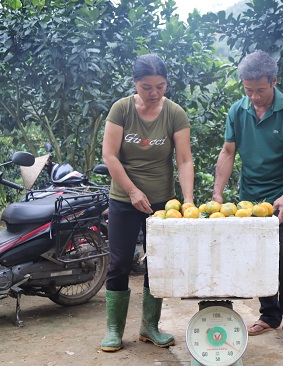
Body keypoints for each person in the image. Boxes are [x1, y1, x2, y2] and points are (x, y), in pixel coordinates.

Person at [212, 50, 283, 354]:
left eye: (261, 90)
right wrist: (218, 192)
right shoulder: (237, 111)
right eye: (248, 90)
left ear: (274, 81)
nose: (254, 96)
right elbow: (228, 152)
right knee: (255, 261)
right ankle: (270, 315)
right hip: (247, 201)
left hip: (281, 200)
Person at [100, 54, 194, 352]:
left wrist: (188, 200)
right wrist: (132, 191)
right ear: (135, 84)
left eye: (160, 86)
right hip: (124, 199)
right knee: (118, 263)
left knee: (157, 264)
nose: (154, 93)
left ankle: (149, 327)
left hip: (163, 203)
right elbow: (110, 156)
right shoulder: (122, 109)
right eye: (146, 87)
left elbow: (184, 159)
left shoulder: (175, 113)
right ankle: (114, 330)